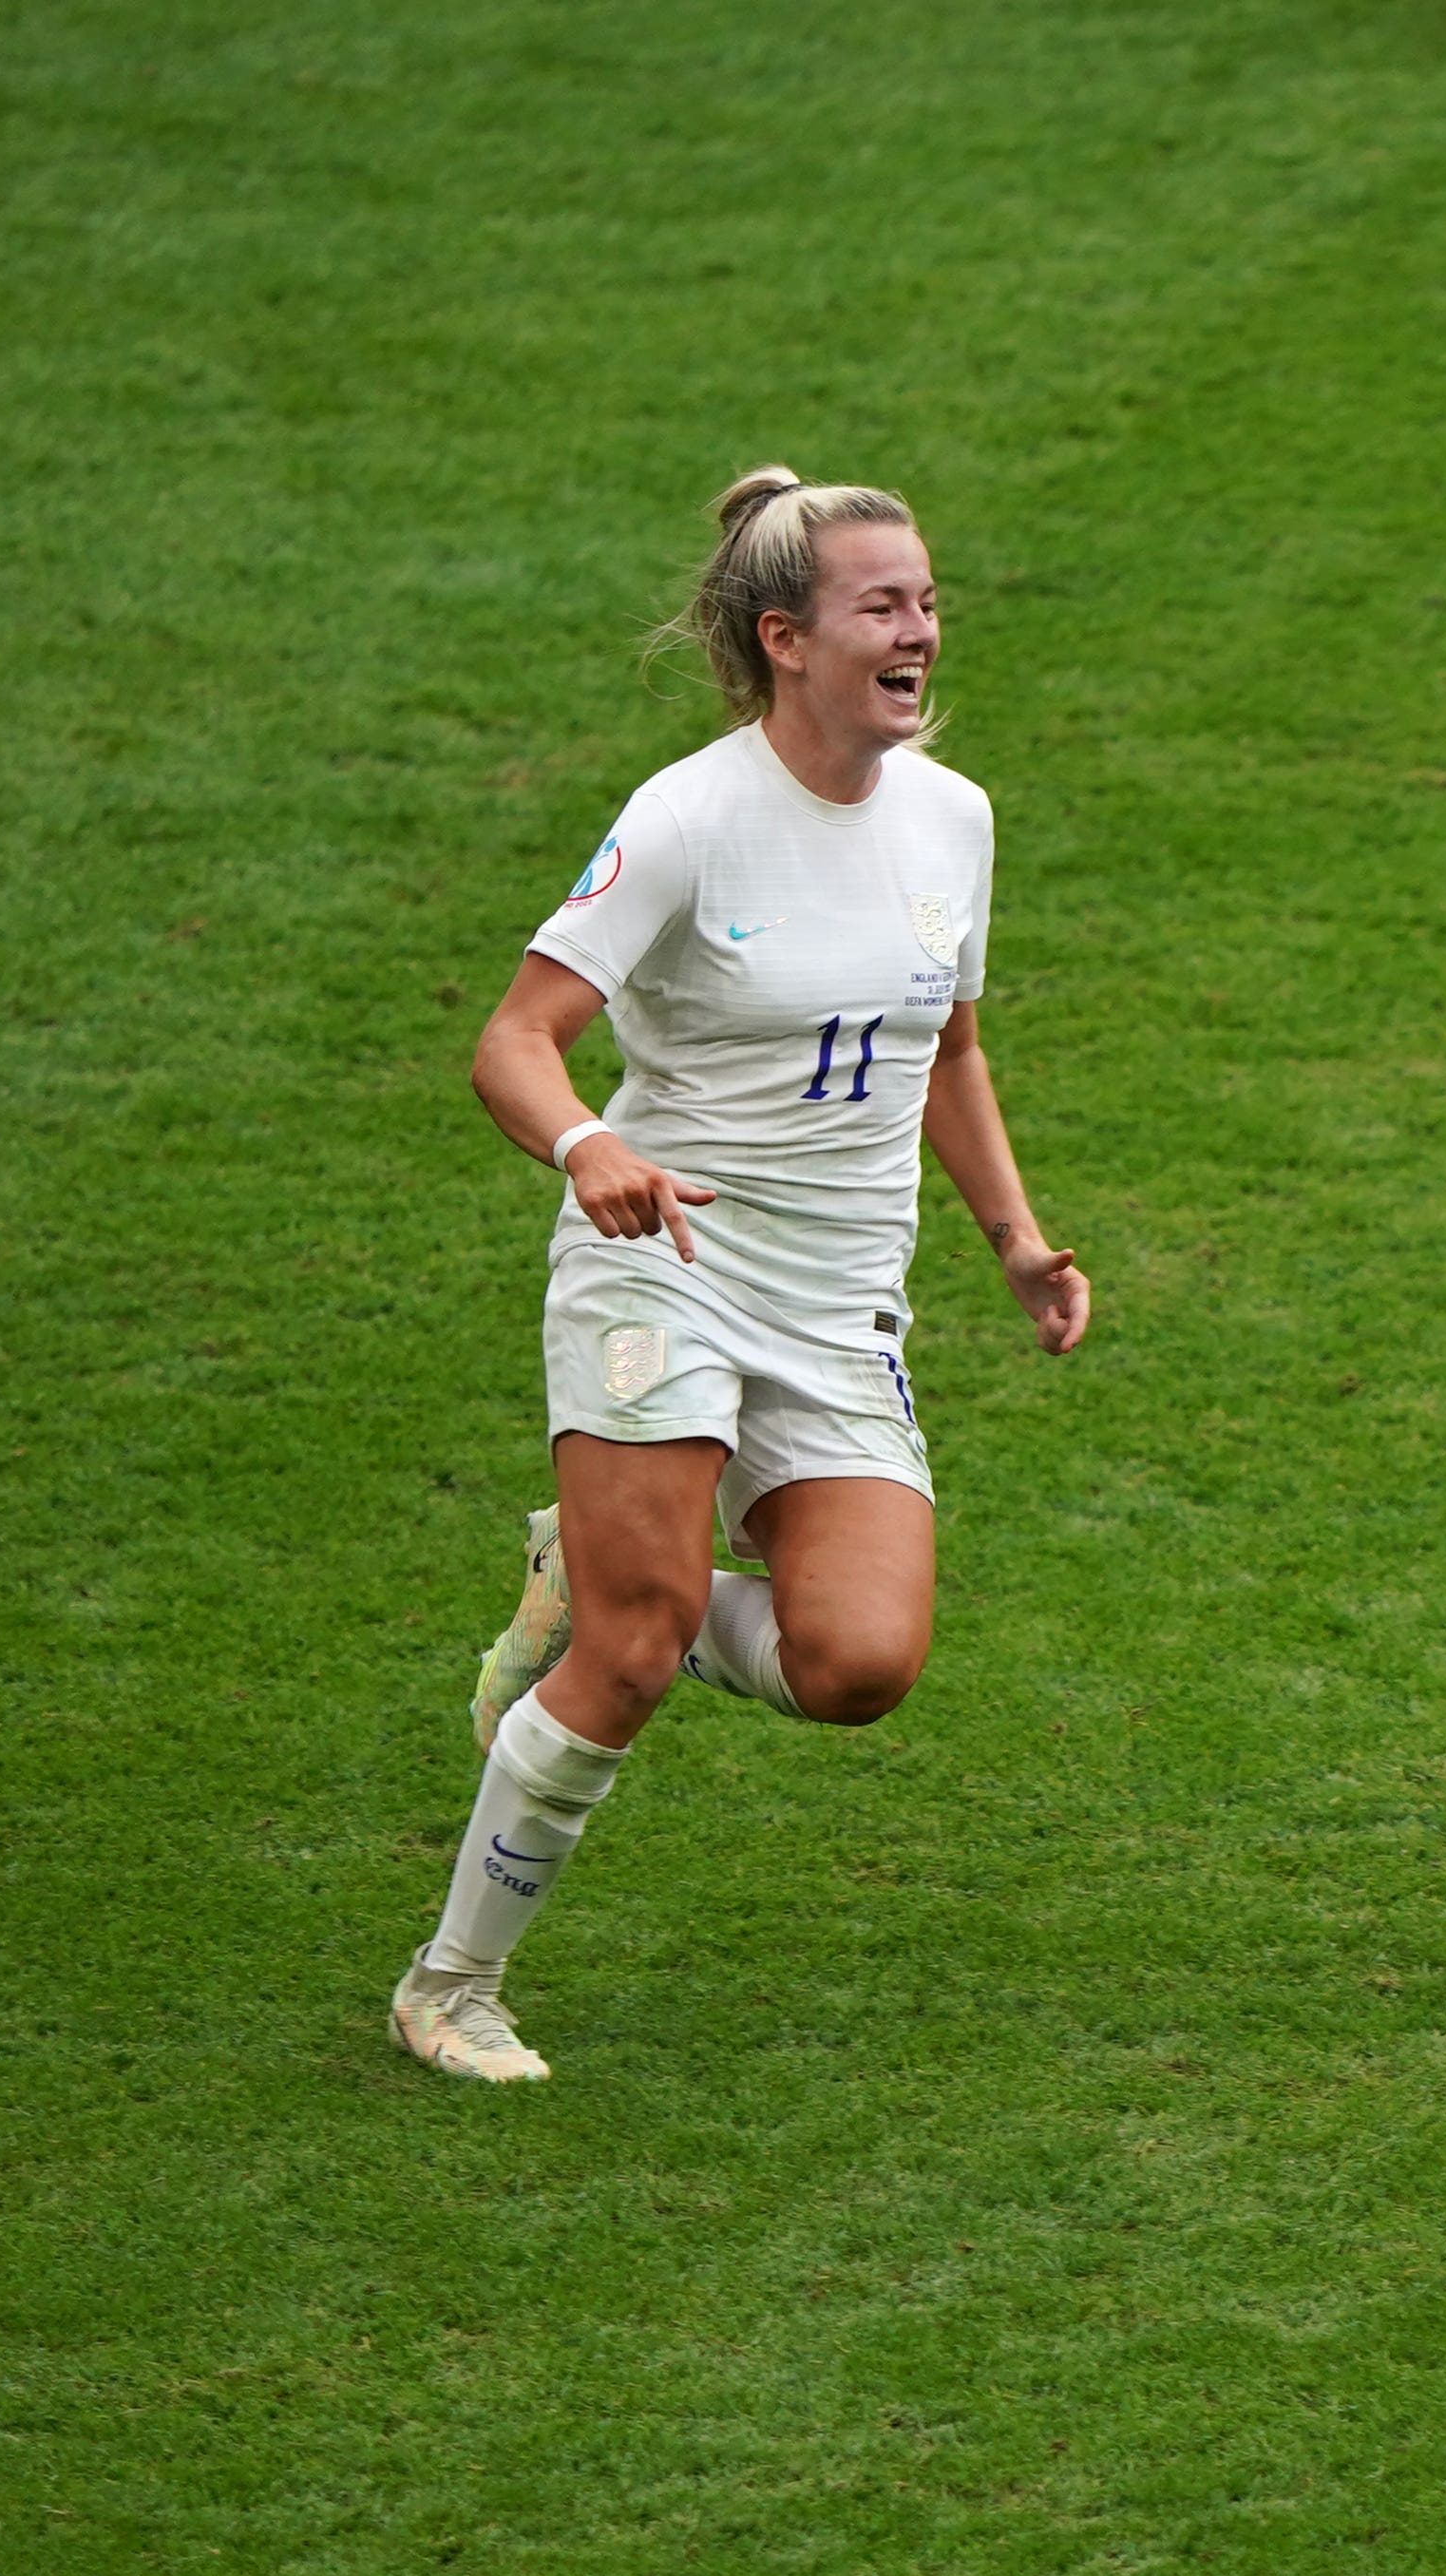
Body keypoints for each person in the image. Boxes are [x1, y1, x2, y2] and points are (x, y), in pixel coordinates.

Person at [389, 467, 1092, 2085]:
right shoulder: (689, 816)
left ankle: (593, 1567)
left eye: (925, 599)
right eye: (884, 606)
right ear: (786, 639)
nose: (921, 630)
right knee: (627, 1661)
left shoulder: (954, 815)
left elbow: (948, 1045)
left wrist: (1014, 1240)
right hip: (666, 1258)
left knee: (859, 1667)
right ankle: (450, 1986)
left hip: (840, 1301)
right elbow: (514, 1043)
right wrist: (590, 1151)